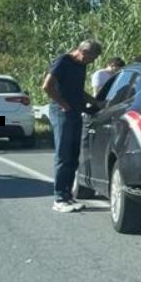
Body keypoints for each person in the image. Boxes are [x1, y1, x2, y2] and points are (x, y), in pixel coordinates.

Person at [42, 39, 103, 213]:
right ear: (83, 52)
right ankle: (59, 198)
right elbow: (47, 86)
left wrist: (96, 102)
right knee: (64, 154)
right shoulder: (63, 61)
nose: (91, 62)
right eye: (91, 58)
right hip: (62, 112)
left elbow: (78, 90)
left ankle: (68, 196)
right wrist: (63, 104)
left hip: (76, 111)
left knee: (73, 155)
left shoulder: (81, 66)